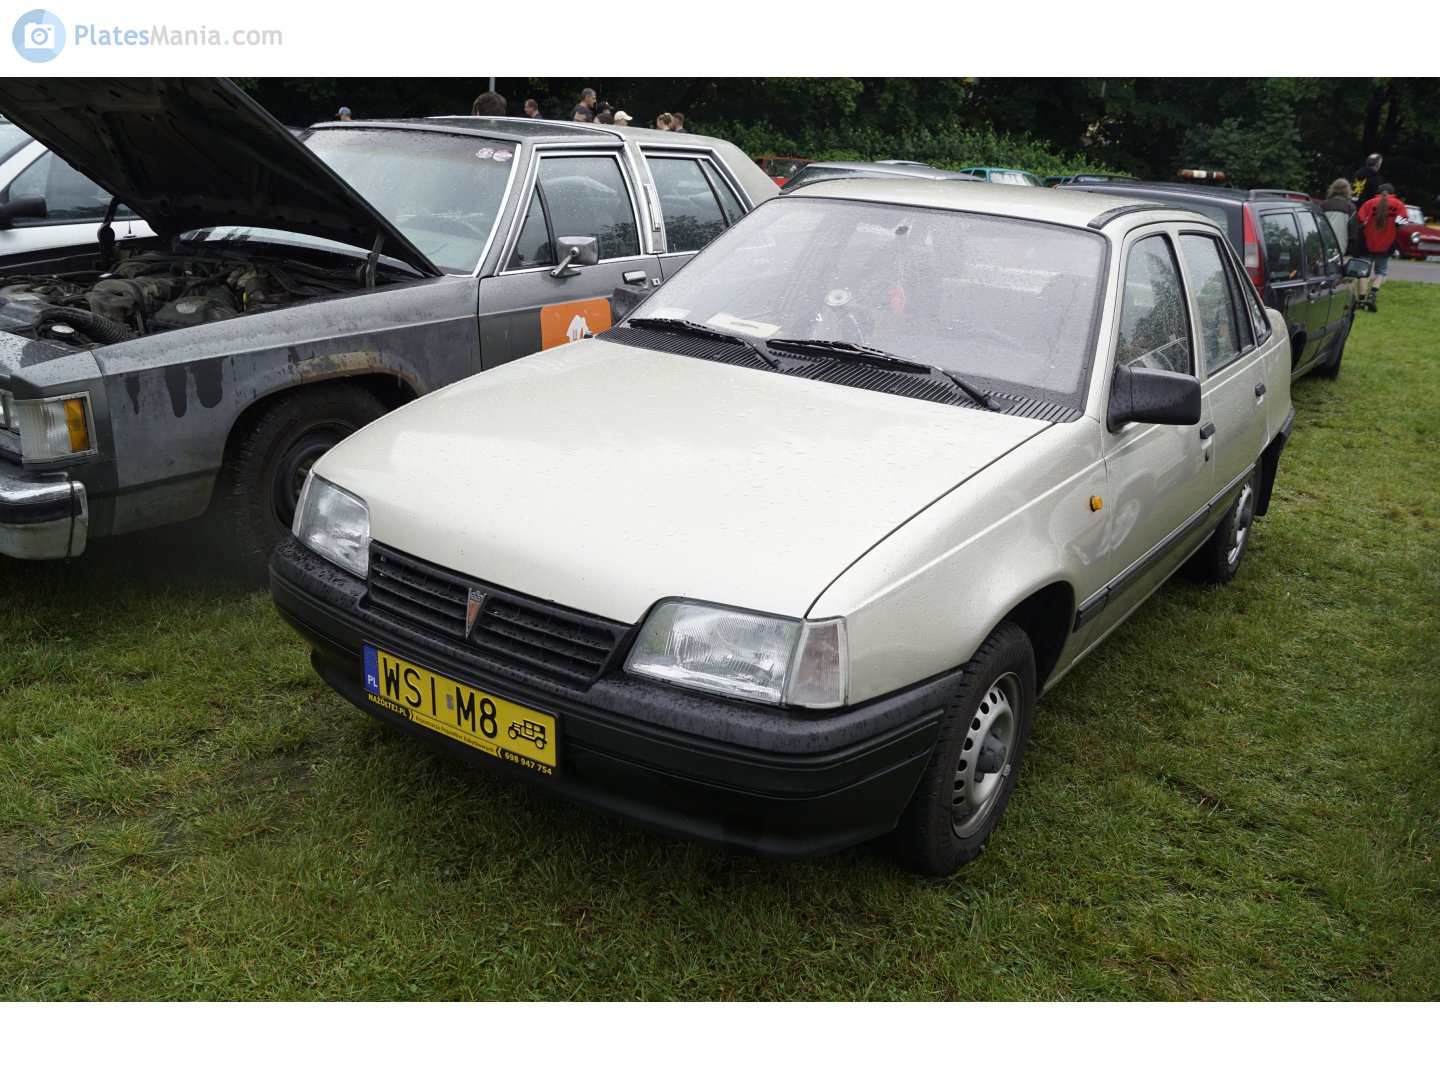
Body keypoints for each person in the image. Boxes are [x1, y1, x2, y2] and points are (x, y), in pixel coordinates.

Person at [1356, 183, 1403, 311]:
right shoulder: (1399, 205)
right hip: (1387, 244)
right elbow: (1402, 222)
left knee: (1363, 272)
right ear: (1393, 193)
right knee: (1381, 271)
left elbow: (1360, 219)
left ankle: (1360, 301)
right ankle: (1373, 294)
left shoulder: (1369, 203)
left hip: (1367, 243)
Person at [1319, 178, 1354, 254]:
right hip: (1340, 246)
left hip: (1322, 244)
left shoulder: (1323, 205)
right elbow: (1352, 231)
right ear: (1348, 190)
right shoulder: (1350, 207)